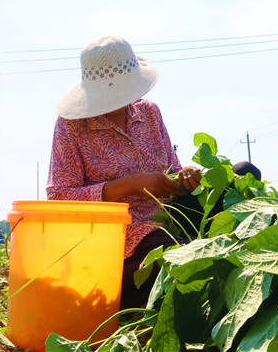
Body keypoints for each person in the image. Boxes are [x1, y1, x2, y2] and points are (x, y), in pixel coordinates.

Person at [47, 35, 260, 308]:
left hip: (170, 214)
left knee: (243, 173)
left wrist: (186, 176)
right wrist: (130, 185)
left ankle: (217, 253)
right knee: (176, 260)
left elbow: (172, 169)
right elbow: (60, 198)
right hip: (122, 238)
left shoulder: (148, 113)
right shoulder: (71, 127)